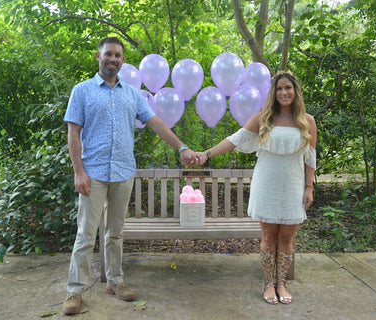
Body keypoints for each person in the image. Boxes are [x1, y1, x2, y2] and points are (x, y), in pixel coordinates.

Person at [62, 36, 198, 315]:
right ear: (98, 56)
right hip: (94, 173)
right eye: (109, 54)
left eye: (118, 55)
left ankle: (115, 282)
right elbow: (73, 133)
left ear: (123, 60)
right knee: (86, 235)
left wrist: (182, 147)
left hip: (123, 172)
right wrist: (79, 172)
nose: (114, 59)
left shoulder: (132, 94)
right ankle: (75, 291)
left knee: (115, 233)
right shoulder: (82, 91)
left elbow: (155, 122)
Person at [196, 70, 317, 305]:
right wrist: (206, 154)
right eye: (279, 89)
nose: (284, 92)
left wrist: (309, 187)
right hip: (266, 184)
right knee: (268, 237)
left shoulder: (307, 121)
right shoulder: (262, 119)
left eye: (288, 88)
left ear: (295, 91)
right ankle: (268, 284)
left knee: (287, 239)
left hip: (293, 185)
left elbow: (310, 158)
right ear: (274, 93)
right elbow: (234, 140)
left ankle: (282, 283)